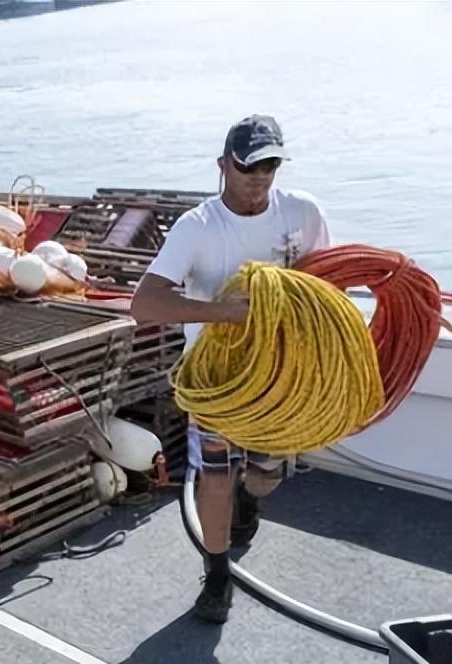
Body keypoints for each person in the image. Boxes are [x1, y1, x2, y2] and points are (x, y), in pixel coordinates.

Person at [131, 115, 330, 624]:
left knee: (267, 475)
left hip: (280, 374)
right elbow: (146, 304)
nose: (260, 176)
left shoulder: (303, 213)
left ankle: (251, 492)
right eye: (248, 166)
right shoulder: (197, 228)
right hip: (217, 380)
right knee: (214, 480)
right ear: (224, 166)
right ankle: (217, 578)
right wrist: (227, 312)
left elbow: (329, 284)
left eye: (270, 165)